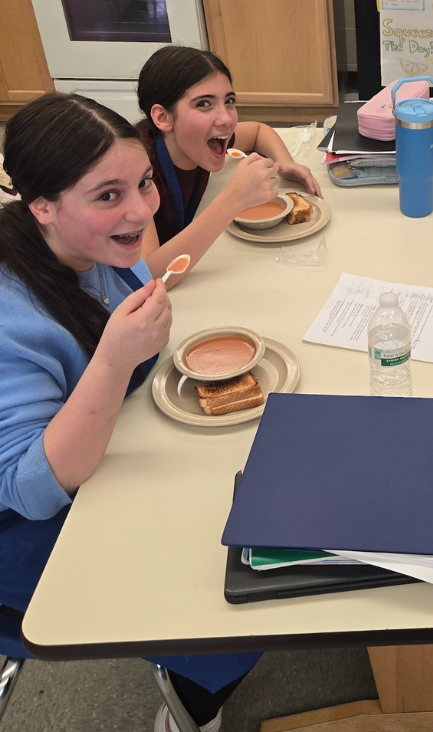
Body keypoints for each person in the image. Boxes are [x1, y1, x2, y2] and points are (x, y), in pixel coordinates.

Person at [0, 93, 259, 732]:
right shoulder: (12, 313)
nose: (143, 210)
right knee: (232, 605)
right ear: (42, 206)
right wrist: (115, 361)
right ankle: (188, 707)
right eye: (108, 195)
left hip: (113, 462)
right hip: (27, 526)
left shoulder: (81, 252)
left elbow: (146, 271)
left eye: (143, 183)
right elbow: (30, 488)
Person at [137, 45, 322, 285]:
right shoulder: (137, 172)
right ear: (163, 117)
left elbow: (258, 131)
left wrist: (285, 161)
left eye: (229, 101)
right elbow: (147, 277)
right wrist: (233, 199)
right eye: (203, 104)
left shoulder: (196, 143)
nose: (226, 119)